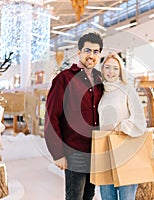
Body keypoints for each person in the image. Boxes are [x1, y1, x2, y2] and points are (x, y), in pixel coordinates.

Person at [44, 31, 104, 200]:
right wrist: (58, 153)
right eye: (87, 51)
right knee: (74, 196)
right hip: (74, 151)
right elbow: (51, 117)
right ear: (79, 52)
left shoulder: (101, 79)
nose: (91, 55)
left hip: (95, 150)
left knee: (89, 195)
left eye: (95, 51)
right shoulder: (64, 79)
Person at [98, 53, 147, 200]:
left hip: (125, 152)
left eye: (115, 68)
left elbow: (140, 122)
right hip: (105, 154)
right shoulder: (101, 92)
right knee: (107, 197)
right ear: (102, 69)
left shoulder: (127, 89)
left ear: (120, 71)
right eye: (107, 67)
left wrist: (115, 126)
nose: (111, 72)